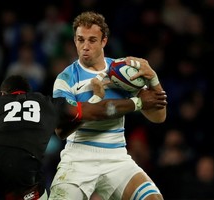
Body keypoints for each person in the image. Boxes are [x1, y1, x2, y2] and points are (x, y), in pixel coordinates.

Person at [0, 75, 167, 200]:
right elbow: (100, 110)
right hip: (23, 170)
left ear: (3, 94)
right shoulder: (47, 104)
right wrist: (137, 103)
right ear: (28, 92)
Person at [49, 11, 167, 200]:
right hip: (78, 158)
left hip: (116, 157)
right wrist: (97, 100)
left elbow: (158, 116)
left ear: (104, 41)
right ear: (74, 40)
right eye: (80, 40)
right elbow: (61, 130)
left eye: (92, 40)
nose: (85, 46)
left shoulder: (122, 71)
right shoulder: (65, 79)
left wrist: (153, 78)